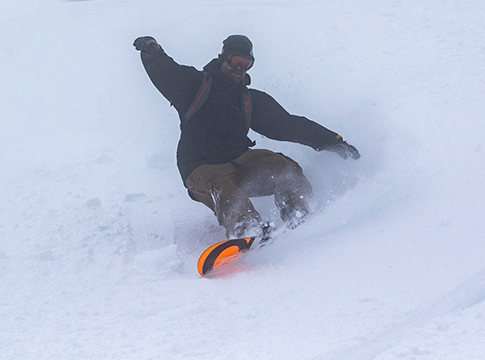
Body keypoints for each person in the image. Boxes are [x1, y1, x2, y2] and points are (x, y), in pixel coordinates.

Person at [134, 34, 360, 239]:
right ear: (223, 57)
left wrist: (333, 141)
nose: (239, 68)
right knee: (223, 188)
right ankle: (246, 229)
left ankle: (298, 211)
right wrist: (152, 52)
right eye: (235, 60)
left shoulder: (248, 100)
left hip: (241, 162)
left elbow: (288, 125)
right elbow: (167, 73)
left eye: (246, 64)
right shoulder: (195, 86)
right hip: (199, 167)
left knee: (284, 167)